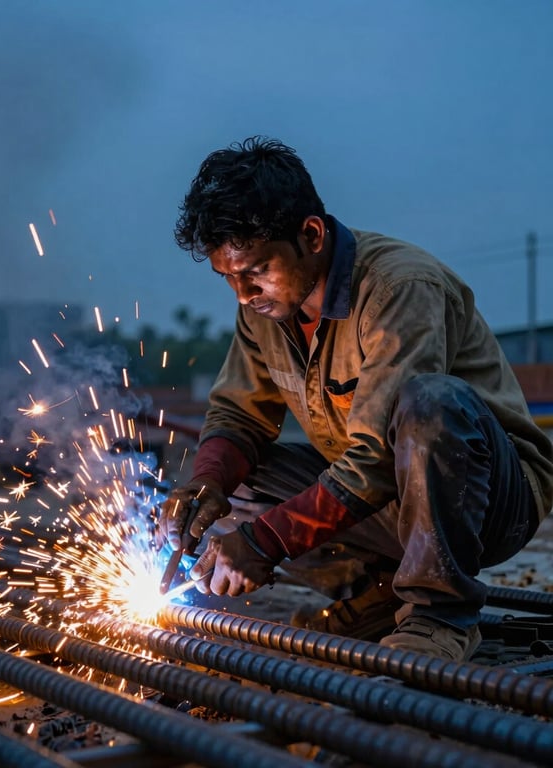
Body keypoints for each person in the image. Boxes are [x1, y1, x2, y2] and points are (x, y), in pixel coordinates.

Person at [158, 136, 553, 661]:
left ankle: (438, 614)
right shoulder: (265, 310)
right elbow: (238, 415)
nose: (243, 294)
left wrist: (265, 542)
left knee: (430, 402)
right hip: (390, 495)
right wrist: (206, 485)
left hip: (488, 503)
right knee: (238, 483)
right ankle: (382, 597)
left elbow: (376, 459)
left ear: (312, 235)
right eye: (227, 278)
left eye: (254, 272)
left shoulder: (397, 289)